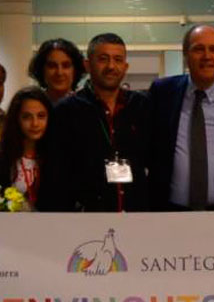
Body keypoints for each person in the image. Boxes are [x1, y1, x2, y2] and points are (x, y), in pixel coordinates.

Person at [148, 24, 214, 211]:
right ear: (186, 54)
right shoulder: (162, 93)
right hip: (167, 212)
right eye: (199, 49)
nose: (207, 56)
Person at [42, 33, 151, 212]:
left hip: (137, 216)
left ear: (125, 67)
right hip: (88, 218)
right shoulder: (66, 111)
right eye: (103, 59)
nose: (111, 66)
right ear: (87, 65)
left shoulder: (142, 106)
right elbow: (57, 174)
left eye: (118, 60)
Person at [0, 87, 49, 210]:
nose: (35, 123)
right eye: (27, 117)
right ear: (16, 119)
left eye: (41, 116)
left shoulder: (57, 156)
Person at [29, 38, 85, 105]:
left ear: (75, 70)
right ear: (41, 70)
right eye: (52, 66)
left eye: (66, 66)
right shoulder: (32, 106)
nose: (59, 72)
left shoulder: (85, 107)